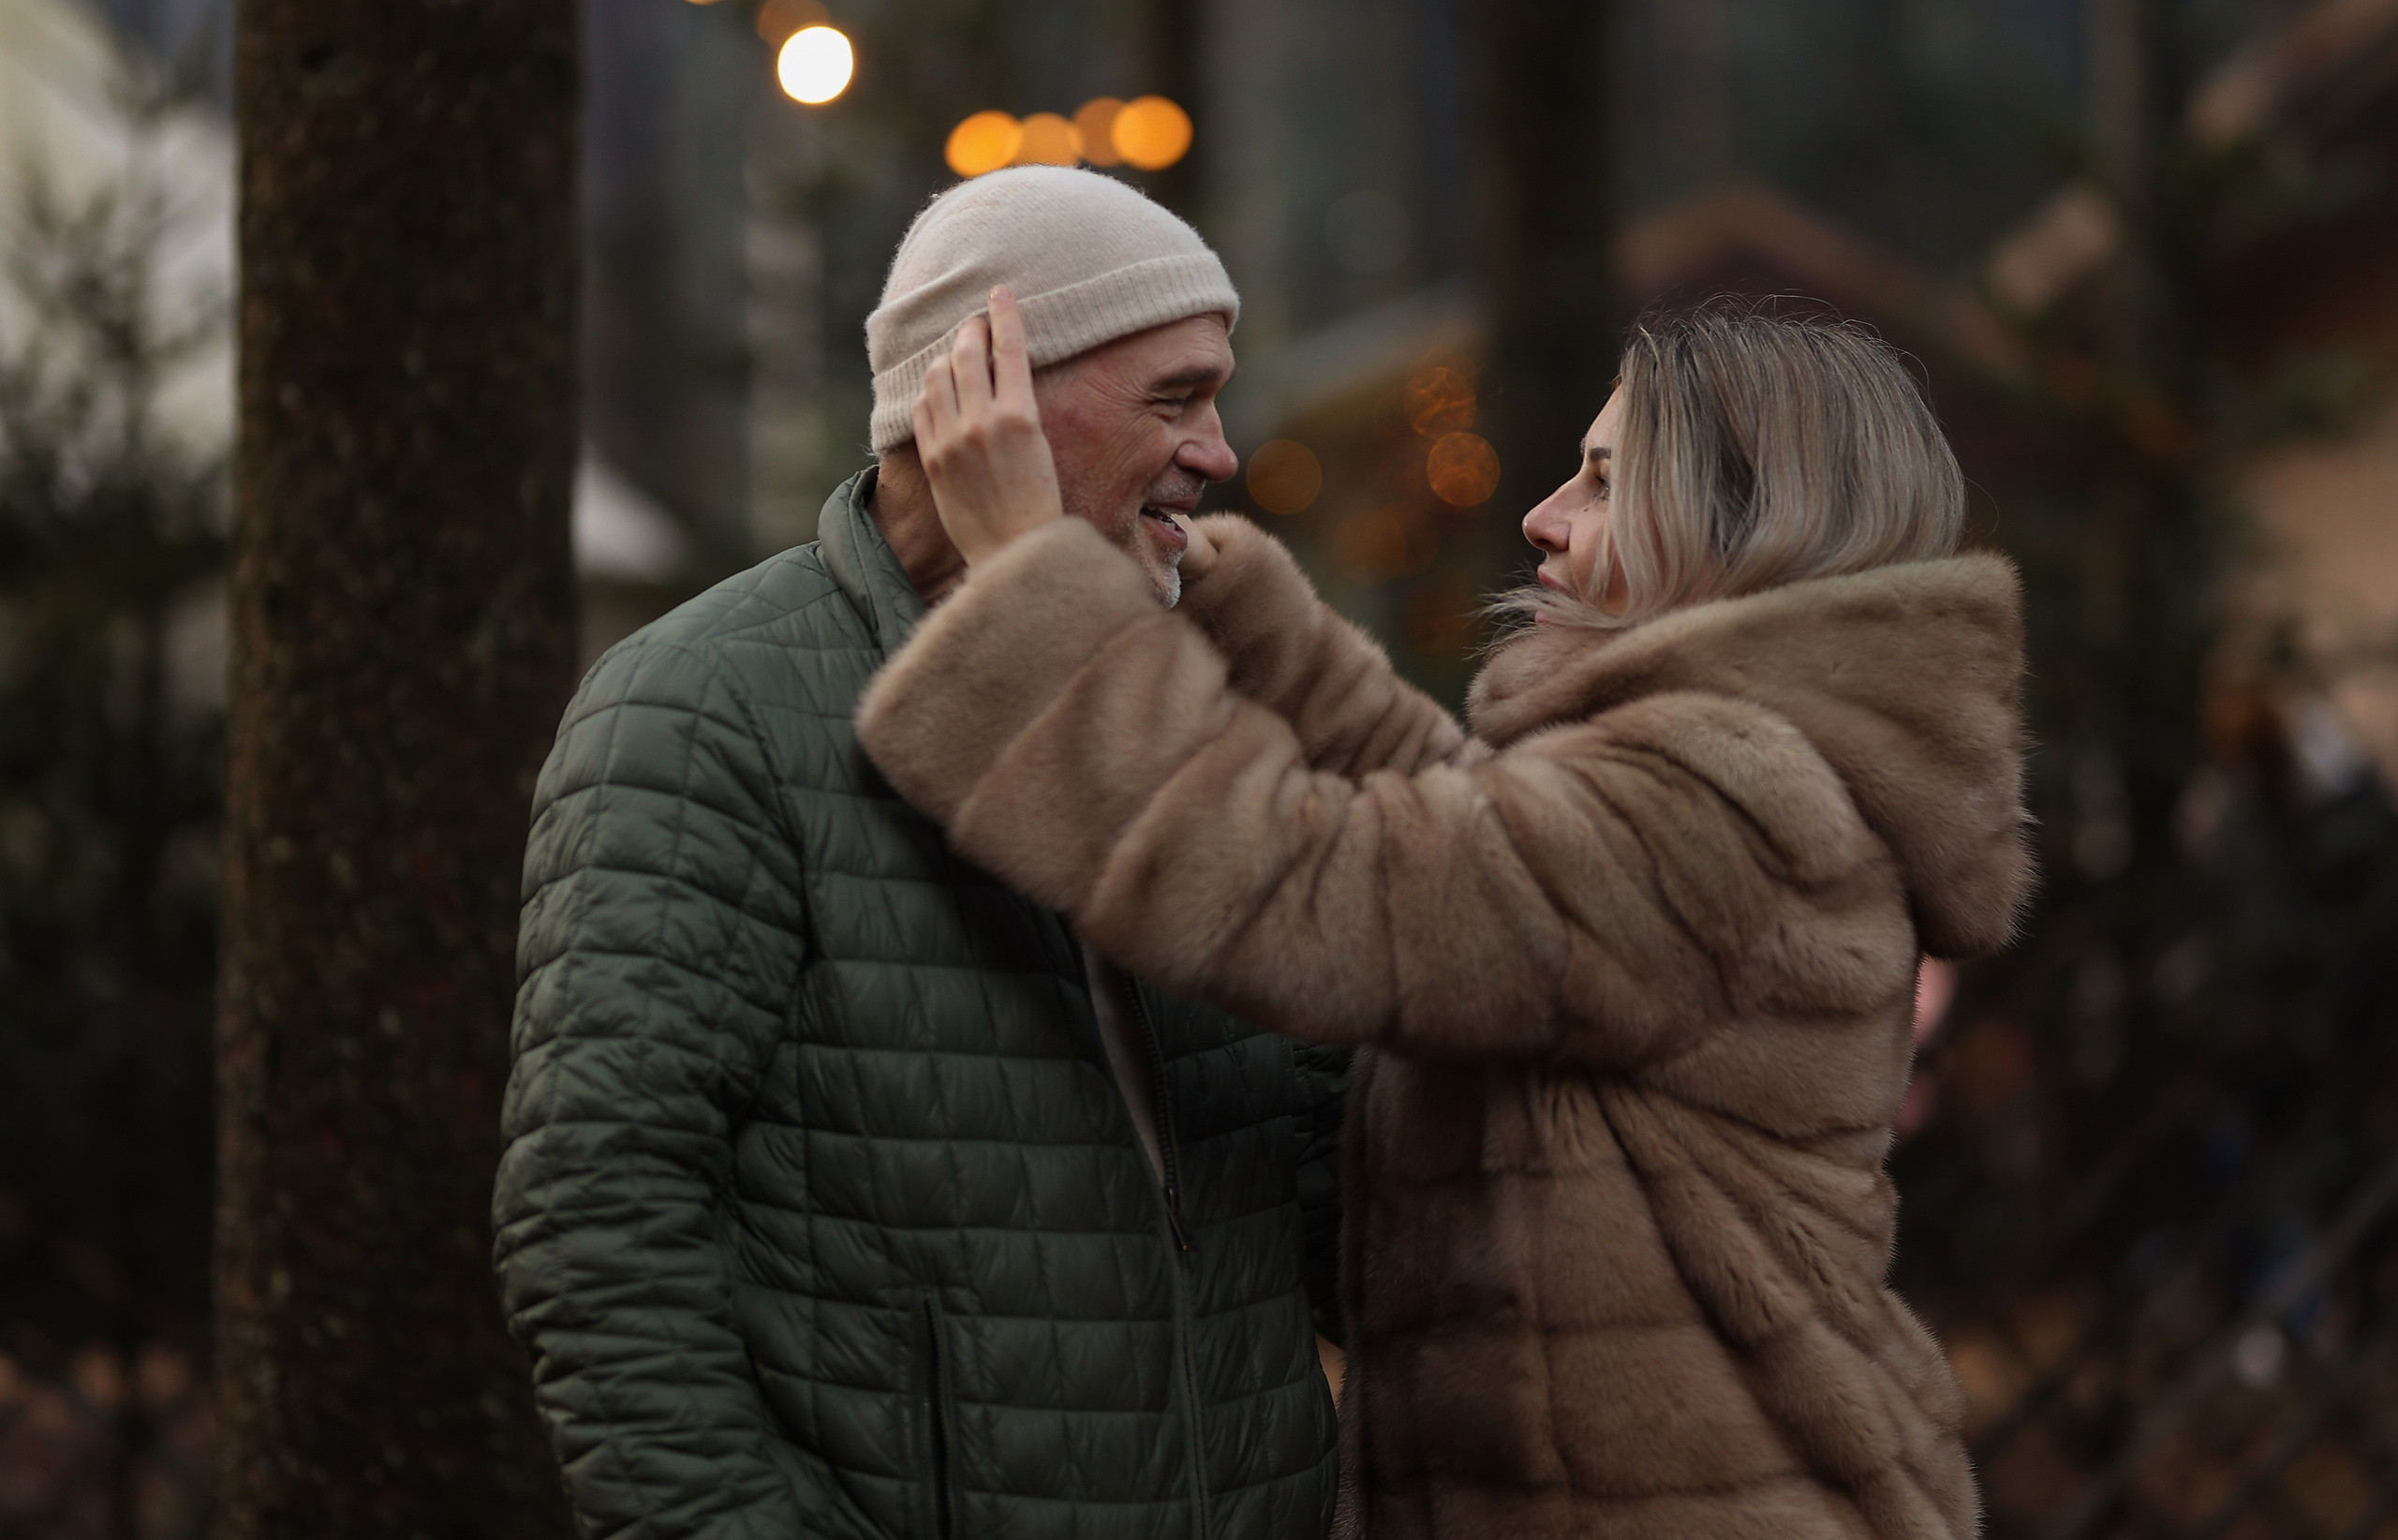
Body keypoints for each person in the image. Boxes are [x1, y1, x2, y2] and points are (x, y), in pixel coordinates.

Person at [856, 301, 2033, 1539]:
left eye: (1603, 479)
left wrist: (1030, 582)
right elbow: (1476, 845)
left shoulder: (1731, 800)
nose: (1544, 515)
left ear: (1745, 530)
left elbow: (1311, 890)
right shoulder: (1724, 777)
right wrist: (1251, 627)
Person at [494, 167, 1348, 1540]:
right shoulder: (707, 706)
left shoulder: (1209, 698)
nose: (1220, 453)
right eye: (1175, 398)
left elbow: (1333, 1202)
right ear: (985, 390)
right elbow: (599, 1226)